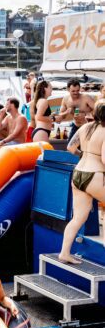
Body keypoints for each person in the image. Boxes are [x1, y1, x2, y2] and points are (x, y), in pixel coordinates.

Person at [62, 100, 105, 264]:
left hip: (78, 173)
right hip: (94, 174)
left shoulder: (85, 127)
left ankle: (64, 253)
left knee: (78, 217)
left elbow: (70, 148)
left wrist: (84, 155)